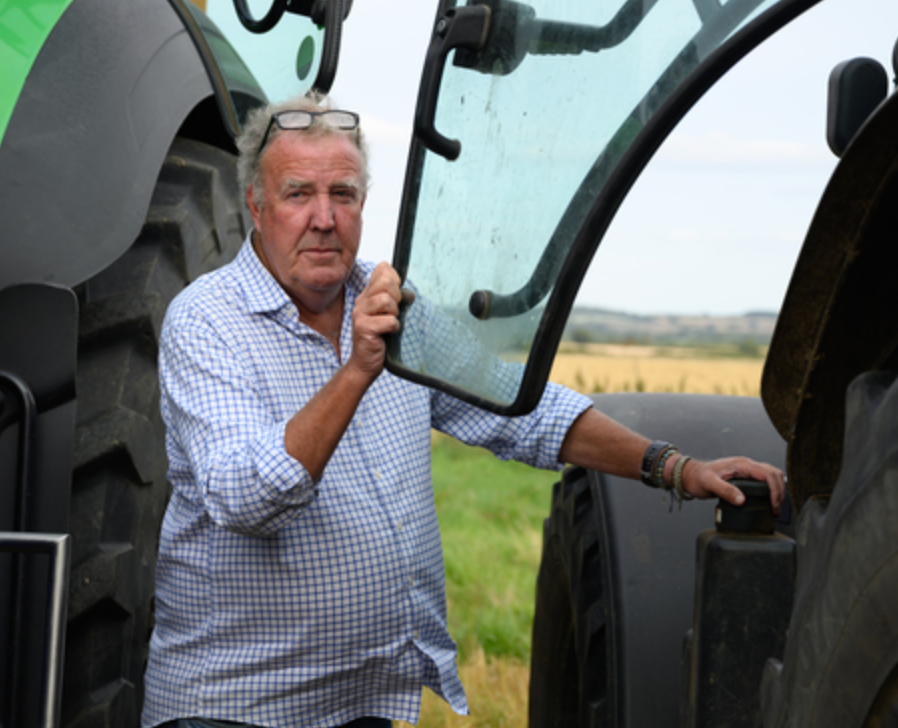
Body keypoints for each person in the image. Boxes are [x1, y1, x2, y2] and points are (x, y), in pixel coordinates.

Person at [141, 95, 784, 728]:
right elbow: (246, 497)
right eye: (298, 194)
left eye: (343, 195)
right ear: (255, 203)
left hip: (361, 708)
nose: (323, 218)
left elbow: (517, 409)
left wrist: (673, 465)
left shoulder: (394, 307)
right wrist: (357, 371)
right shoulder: (207, 321)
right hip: (232, 711)